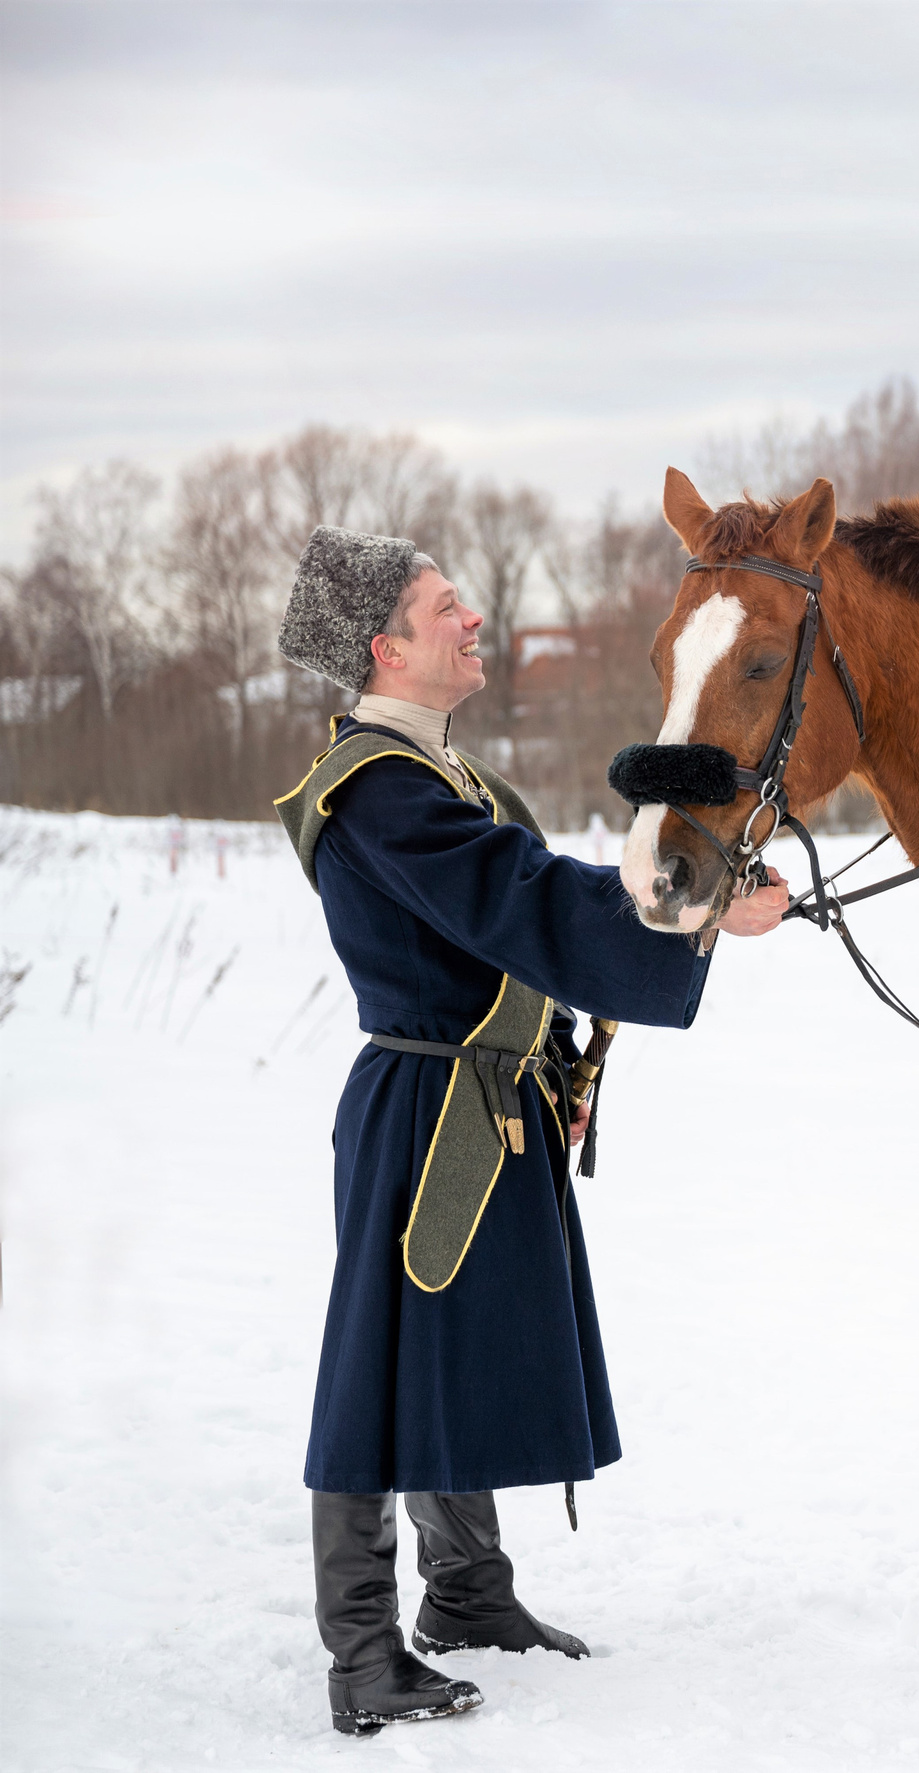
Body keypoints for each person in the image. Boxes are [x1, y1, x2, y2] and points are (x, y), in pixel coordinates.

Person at [271, 527, 791, 1736]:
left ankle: (464, 1593)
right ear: (384, 648)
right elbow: (519, 899)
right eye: (444, 606)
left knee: (454, 1347)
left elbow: (525, 894)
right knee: (382, 1361)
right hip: (422, 1108)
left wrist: (687, 898)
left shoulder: (444, 777)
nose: (473, 620)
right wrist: (695, 912)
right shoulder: (376, 787)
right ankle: (361, 1651)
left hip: (492, 1100)